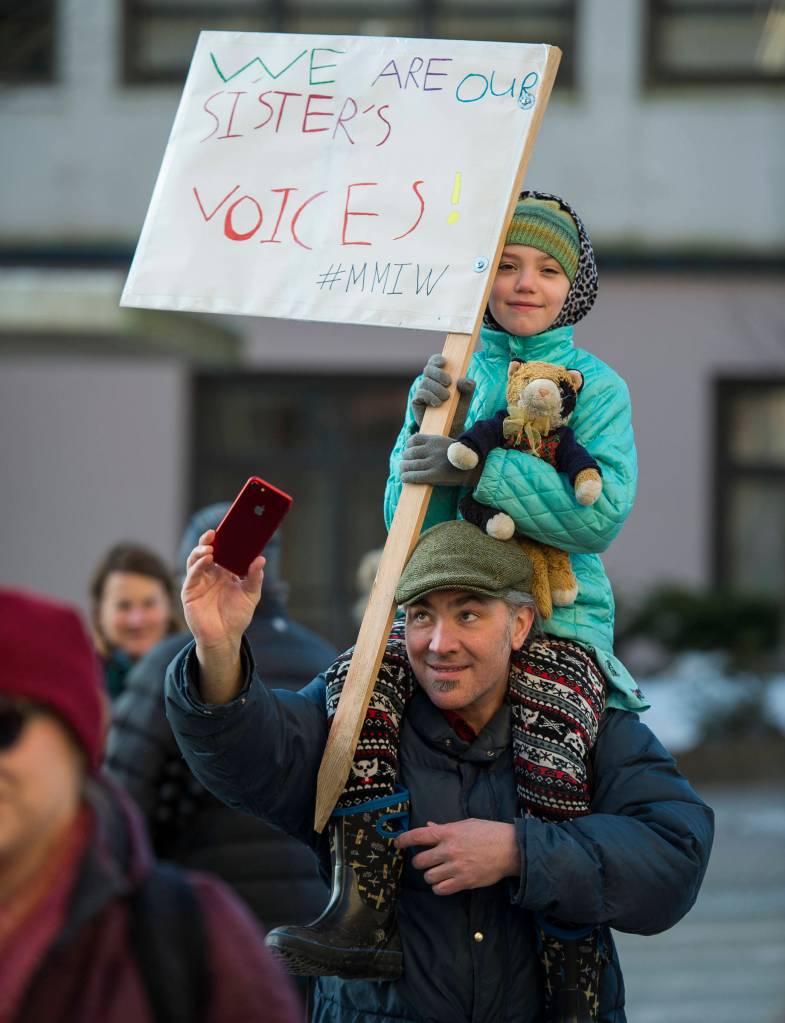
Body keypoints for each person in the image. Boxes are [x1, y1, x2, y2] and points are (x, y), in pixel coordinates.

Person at [165, 520, 714, 1023]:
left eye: (468, 614)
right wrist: (218, 648)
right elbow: (252, 760)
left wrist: (520, 852)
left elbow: (673, 854)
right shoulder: (354, 708)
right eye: (422, 615)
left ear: (520, 623)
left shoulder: (585, 721)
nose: (439, 643)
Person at [0, 586, 301, 1023]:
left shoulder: (186, 935)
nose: (136, 618)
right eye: (124, 605)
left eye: (5, 725)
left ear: (80, 738)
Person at [106, 503, 337, 931]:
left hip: (202, 925)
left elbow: (119, 810)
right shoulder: (329, 662)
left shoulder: (163, 666)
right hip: (312, 925)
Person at [89, 542, 181, 699]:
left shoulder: (194, 676)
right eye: (124, 606)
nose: (137, 621)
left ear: (169, 605)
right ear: (99, 614)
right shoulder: (83, 678)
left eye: (149, 604)